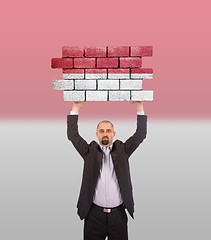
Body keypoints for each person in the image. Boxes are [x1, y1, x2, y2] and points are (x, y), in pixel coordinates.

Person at [67, 101, 147, 240]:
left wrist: (139, 107)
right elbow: (73, 135)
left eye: (108, 131)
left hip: (118, 215)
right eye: (102, 131)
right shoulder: (89, 151)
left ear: (113, 134)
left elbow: (140, 135)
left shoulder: (123, 150)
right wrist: (76, 107)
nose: (105, 134)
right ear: (97, 134)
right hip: (93, 215)